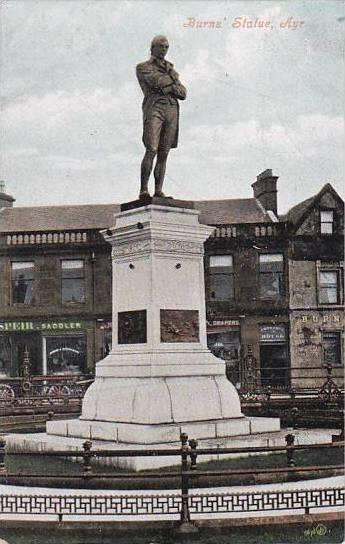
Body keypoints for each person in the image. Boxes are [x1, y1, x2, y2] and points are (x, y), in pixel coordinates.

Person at [136, 35, 187, 199]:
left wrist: (170, 85)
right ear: (153, 48)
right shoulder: (143, 67)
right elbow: (156, 82)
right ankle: (144, 190)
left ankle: (158, 190)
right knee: (151, 148)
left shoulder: (171, 69)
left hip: (172, 110)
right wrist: (172, 82)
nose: (164, 49)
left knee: (164, 153)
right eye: (161, 46)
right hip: (154, 108)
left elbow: (183, 93)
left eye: (167, 47)